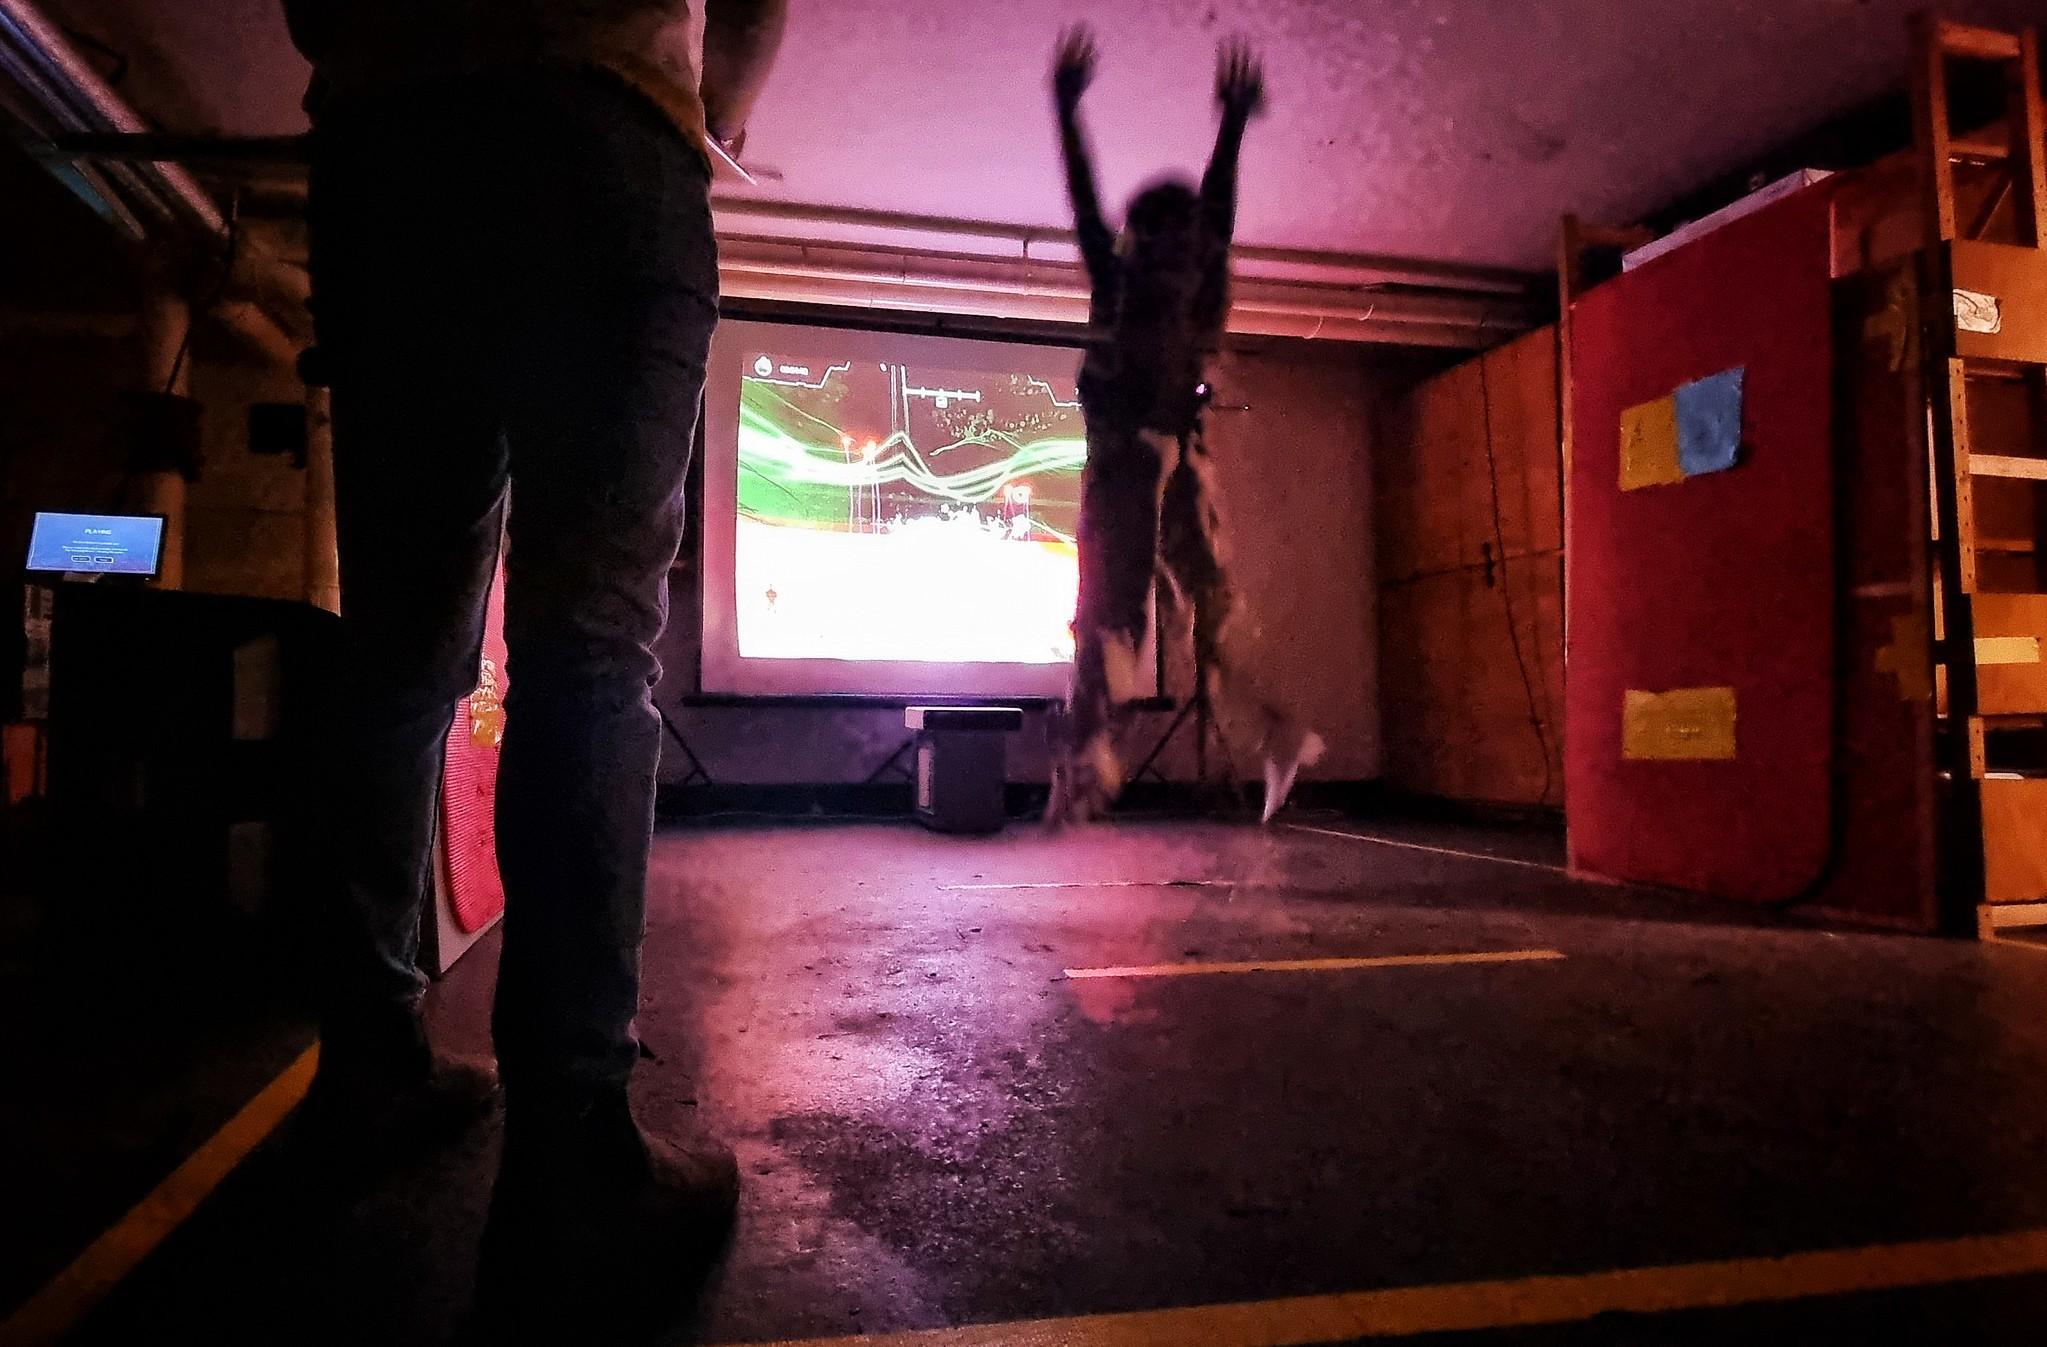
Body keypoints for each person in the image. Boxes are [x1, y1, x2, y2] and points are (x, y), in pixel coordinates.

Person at [279, 0, 786, 1324]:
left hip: (384, 147)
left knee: (392, 645)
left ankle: (371, 1064)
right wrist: (708, 107)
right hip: (594, 129)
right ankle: (571, 1169)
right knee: (587, 653)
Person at [1047, 25, 1323, 827]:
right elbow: (1209, 210)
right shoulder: (1174, 279)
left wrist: (1066, 109)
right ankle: (1253, 729)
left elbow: (1105, 206)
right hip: (1159, 461)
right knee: (1172, 603)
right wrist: (1231, 120)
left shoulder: (1143, 279)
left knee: (1142, 604)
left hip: (1148, 461)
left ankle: (1099, 743)